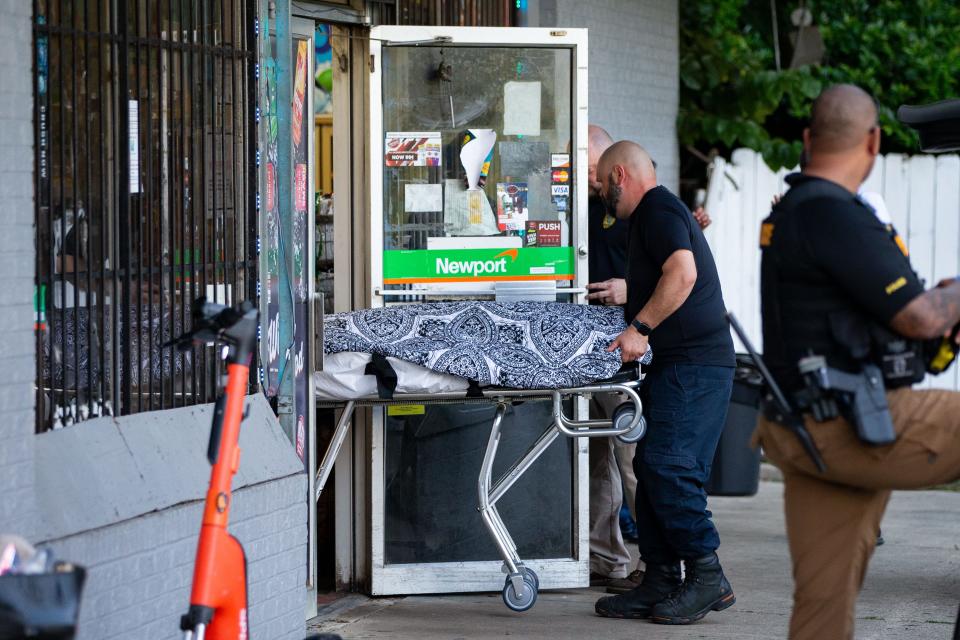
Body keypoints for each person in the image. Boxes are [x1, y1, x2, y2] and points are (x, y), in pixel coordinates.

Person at [755, 83, 960, 640]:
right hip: (850, 422)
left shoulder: (793, 212)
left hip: (800, 423)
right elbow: (919, 317)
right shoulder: (834, 213)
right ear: (872, 141)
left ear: (806, 138)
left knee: (821, 611)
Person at [592, 141, 737, 625]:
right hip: (678, 362)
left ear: (619, 176)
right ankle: (659, 579)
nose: (598, 192)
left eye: (599, 181)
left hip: (697, 364)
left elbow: (683, 272)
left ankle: (706, 574)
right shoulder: (652, 215)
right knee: (652, 470)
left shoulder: (657, 209)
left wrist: (639, 328)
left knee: (670, 467)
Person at [582, 124, 641, 594]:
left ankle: (668, 562)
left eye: (585, 163)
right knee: (594, 458)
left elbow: (681, 276)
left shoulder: (635, 210)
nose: (584, 175)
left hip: (627, 348)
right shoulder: (577, 207)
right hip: (580, 349)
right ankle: (609, 562)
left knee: (635, 461)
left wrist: (629, 289)